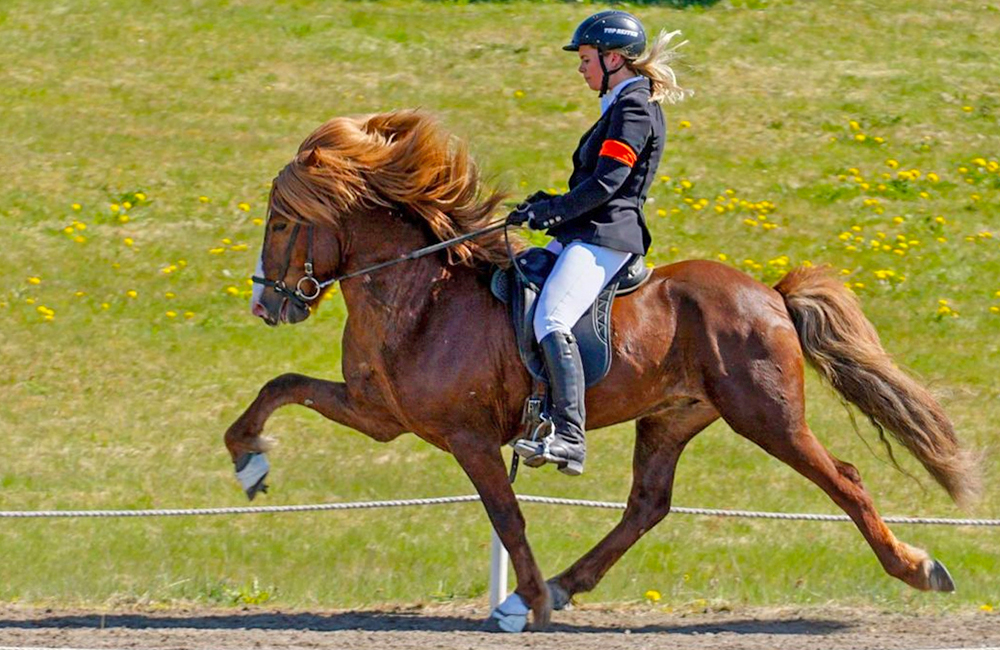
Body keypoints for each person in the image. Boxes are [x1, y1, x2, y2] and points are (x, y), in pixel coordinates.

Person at [508, 10, 691, 476]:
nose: (581, 68)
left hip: (607, 235)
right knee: (520, 278)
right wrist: (547, 204)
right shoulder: (618, 105)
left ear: (613, 59)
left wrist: (554, 212)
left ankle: (569, 436)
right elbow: (590, 184)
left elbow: (607, 184)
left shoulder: (634, 109)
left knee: (552, 317)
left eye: (586, 59)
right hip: (584, 231)